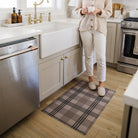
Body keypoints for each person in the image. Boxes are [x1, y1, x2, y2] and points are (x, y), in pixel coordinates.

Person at [75, 0, 112, 96]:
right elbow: (76, 10)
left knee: (101, 58)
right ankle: (90, 79)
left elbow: (109, 12)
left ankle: (101, 84)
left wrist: (99, 11)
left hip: (100, 29)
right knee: (88, 56)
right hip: (85, 28)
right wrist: (81, 11)